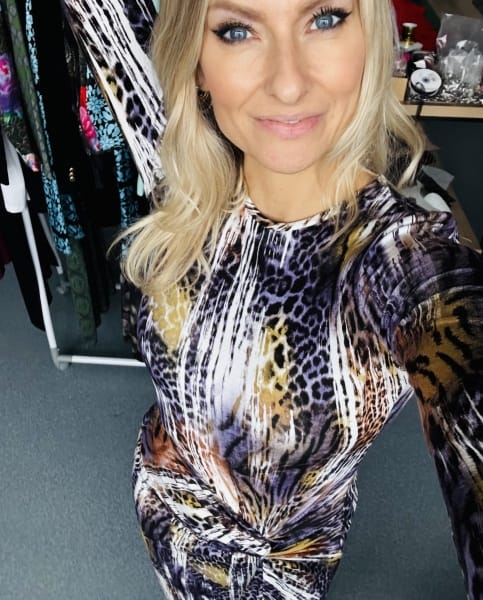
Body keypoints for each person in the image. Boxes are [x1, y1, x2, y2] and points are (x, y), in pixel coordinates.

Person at [119, 0, 483, 597]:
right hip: (158, 508)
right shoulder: (185, 168)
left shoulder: (403, 263)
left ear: (369, 38)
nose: (288, 83)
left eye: (325, 18)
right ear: (198, 64)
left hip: (271, 580)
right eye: (237, 30)